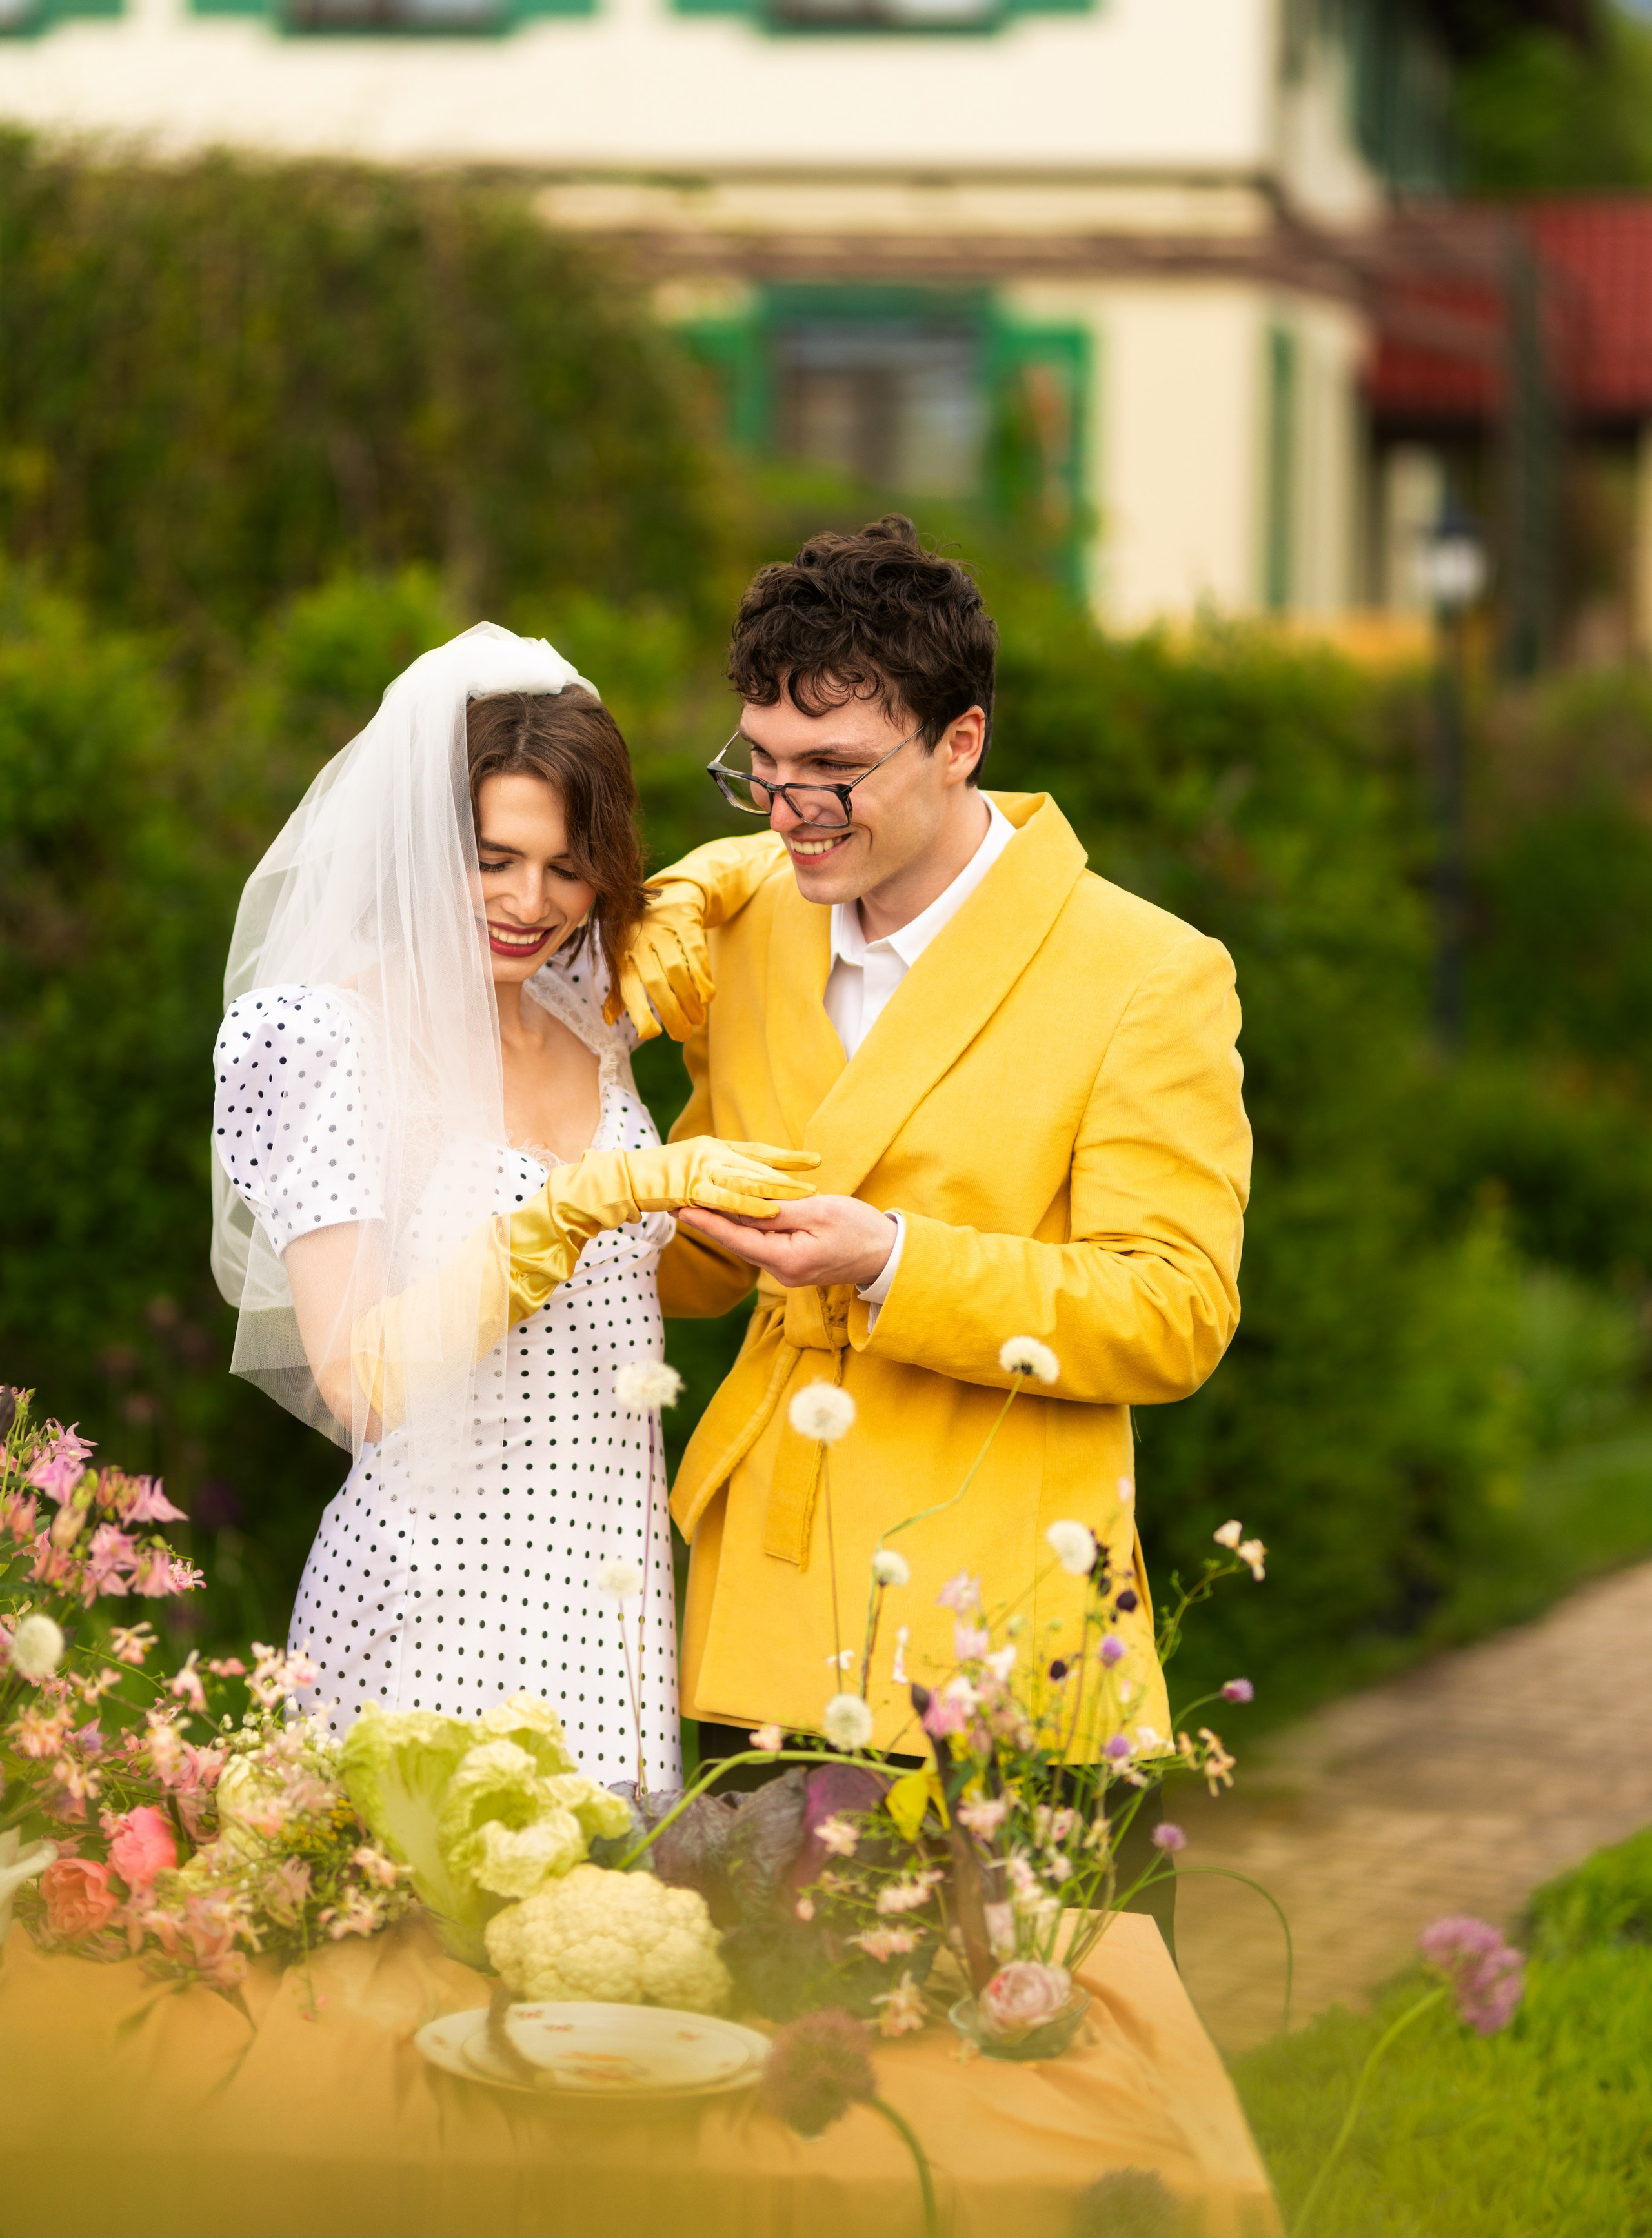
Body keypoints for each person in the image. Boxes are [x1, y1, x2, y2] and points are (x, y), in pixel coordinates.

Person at [633, 517, 1252, 1928]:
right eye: (760, 768)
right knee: (761, 2086)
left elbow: (1172, 1308)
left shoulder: (1146, 972)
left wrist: (891, 1261)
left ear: (959, 738)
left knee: (1042, 2097)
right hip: (763, 1595)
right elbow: (682, 1280)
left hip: (999, 1632)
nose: (788, 811)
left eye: (834, 771)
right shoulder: (738, 928)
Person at [209, 624, 814, 1793]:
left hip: (617, 1601)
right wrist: (584, 1203)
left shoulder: (592, 1016)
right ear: (424, 846)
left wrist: (693, 889)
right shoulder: (328, 1039)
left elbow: (784, 860)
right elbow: (357, 1380)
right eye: (491, 858)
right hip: (434, 1599)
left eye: (567, 866)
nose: (528, 901)